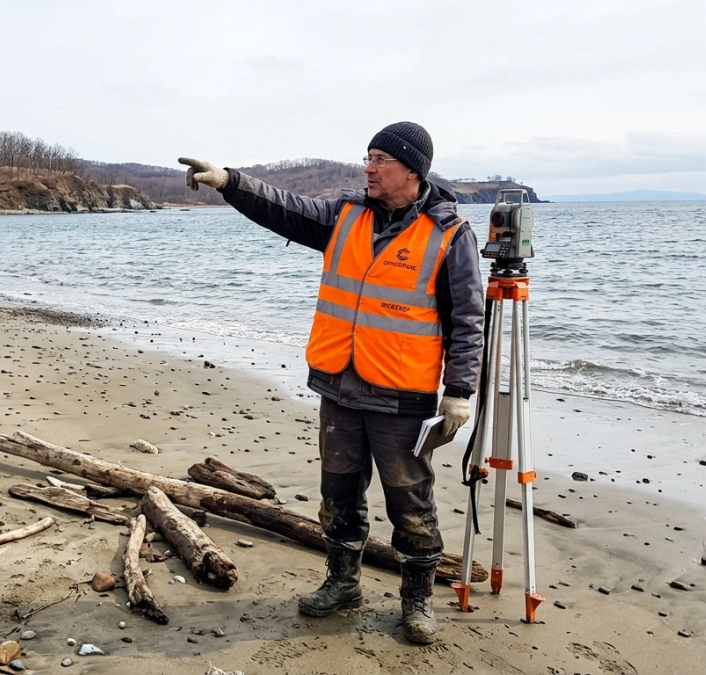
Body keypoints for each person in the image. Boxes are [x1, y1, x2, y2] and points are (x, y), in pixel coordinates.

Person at [178, 122, 484, 644]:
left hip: (402, 396)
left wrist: (459, 393)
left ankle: (416, 603)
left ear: (412, 170)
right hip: (340, 386)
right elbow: (284, 207)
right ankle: (342, 584)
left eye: (380, 159)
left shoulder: (451, 234)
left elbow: (467, 320)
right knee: (338, 496)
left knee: (411, 504)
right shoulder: (346, 216)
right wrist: (229, 181)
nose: (368, 167)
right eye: (367, 157)